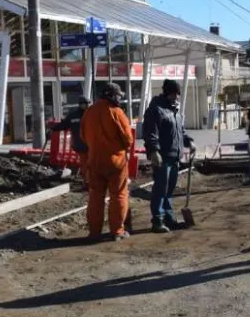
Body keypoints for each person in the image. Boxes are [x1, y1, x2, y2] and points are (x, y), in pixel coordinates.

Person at [80, 84, 133, 241]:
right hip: (116, 162)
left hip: (94, 161)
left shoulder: (89, 112)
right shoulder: (117, 112)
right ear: (113, 95)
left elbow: (83, 136)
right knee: (118, 196)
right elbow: (128, 140)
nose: (120, 98)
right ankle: (117, 231)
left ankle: (94, 232)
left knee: (96, 196)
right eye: (119, 96)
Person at [143, 79, 195, 233]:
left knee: (169, 190)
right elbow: (150, 133)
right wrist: (154, 151)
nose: (177, 97)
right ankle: (157, 220)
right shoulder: (156, 110)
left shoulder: (174, 111)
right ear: (167, 93)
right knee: (160, 189)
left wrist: (189, 142)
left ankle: (169, 218)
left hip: (174, 156)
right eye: (175, 94)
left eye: (178, 94)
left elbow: (180, 132)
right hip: (163, 157)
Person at [52, 97, 90, 185]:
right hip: (82, 144)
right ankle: (87, 181)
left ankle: (90, 181)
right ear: (80, 104)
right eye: (85, 103)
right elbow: (64, 124)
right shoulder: (75, 115)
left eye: (88, 103)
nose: (87, 105)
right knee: (85, 164)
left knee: (90, 163)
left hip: (89, 144)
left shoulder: (91, 114)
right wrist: (53, 128)